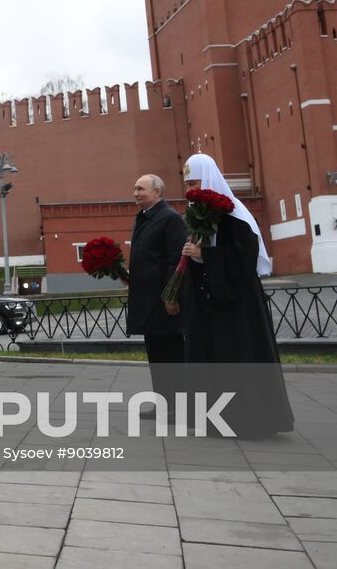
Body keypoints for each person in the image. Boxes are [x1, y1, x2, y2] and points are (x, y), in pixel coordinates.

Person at [178, 153, 294, 438]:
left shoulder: (235, 215)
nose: (190, 189)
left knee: (239, 358)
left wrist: (205, 255)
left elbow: (245, 259)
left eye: (194, 181)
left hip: (237, 304)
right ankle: (218, 419)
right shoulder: (200, 216)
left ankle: (251, 418)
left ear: (208, 179)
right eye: (187, 183)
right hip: (210, 304)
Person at [126, 174, 187, 415]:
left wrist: (172, 295)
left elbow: (177, 260)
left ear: (157, 193)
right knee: (157, 356)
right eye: (135, 188)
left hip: (163, 302)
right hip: (149, 301)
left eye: (140, 189)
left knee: (171, 356)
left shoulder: (169, 218)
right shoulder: (145, 217)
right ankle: (163, 404)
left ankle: (179, 408)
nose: (135, 193)